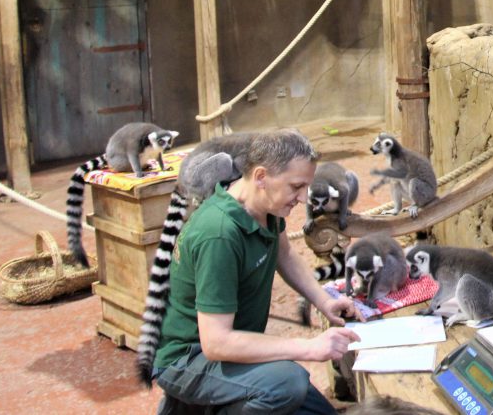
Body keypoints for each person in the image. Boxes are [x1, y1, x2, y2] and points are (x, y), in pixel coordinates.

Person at [152, 129, 363, 414]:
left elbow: (284, 252)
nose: (303, 198)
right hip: (190, 358)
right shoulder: (220, 234)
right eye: (296, 187)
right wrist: (309, 348)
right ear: (261, 177)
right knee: (288, 383)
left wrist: (324, 301)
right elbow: (216, 343)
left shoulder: (266, 207)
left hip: (230, 348)